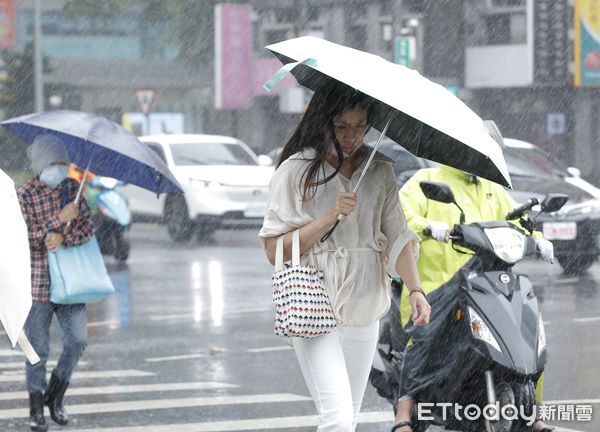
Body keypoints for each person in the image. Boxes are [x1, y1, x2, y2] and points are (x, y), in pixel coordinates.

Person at [259, 84, 431, 432]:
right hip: (314, 301)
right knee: (337, 419)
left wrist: (416, 289)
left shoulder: (379, 169)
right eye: (342, 126)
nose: (352, 135)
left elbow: (397, 236)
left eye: (360, 125)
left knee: (348, 418)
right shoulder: (296, 171)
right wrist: (328, 217)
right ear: (323, 122)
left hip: (365, 301)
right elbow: (273, 250)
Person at [391, 121, 556, 432]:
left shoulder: (492, 188)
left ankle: (534, 415)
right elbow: (401, 218)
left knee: (528, 334)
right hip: (433, 288)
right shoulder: (427, 180)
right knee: (423, 337)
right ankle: (404, 412)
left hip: (485, 286)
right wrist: (430, 227)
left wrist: (537, 238)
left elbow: (515, 222)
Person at [18, 134, 95, 432]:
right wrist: (55, 223)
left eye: (63, 163)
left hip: (71, 282)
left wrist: (65, 236)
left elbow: (87, 228)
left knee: (77, 341)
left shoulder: (73, 189)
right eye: (53, 163)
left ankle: (55, 395)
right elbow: (20, 236)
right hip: (36, 283)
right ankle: (36, 407)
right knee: (37, 349)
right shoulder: (23, 194)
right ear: (39, 164)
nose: (59, 170)